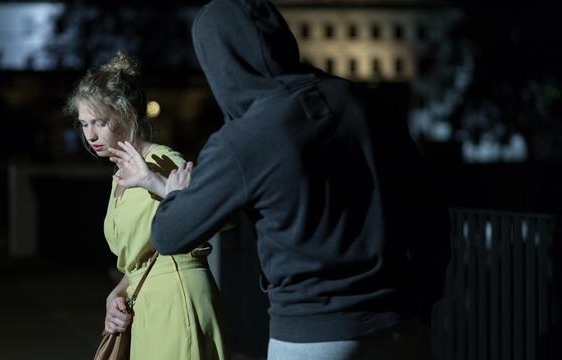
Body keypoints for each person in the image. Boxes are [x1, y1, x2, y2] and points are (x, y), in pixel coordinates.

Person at [111, 1, 451, 359]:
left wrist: (174, 193)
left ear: (217, 59)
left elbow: (169, 234)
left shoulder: (245, 138)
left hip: (314, 334)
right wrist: (424, 298)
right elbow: (430, 207)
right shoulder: (363, 103)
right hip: (403, 326)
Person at [65, 51, 228, 360]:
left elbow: (220, 213)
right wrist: (118, 293)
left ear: (127, 114)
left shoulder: (163, 161)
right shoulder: (119, 175)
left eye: (100, 122)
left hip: (177, 300)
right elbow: (142, 258)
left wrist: (155, 182)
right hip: (147, 305)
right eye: (84, 124)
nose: (91, 135)